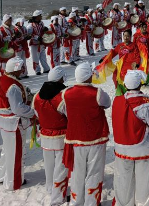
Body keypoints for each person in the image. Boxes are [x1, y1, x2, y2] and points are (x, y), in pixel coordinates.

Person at [112, 69, 149, 206]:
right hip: (141, 146)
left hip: (121, 147)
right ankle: (144, 203)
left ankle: (123, 203)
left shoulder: (117, 100)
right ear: (139, 84)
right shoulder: (145, 102)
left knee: (123, 178)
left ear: (125, 84)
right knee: (144, 178)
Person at [60, 62, 111, 206]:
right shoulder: (97, 93)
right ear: (88, 76)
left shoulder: (66, 93)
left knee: (77, 172)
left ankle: (76, 201)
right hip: (95, 138)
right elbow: (107, 103)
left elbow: (63, 110)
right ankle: (92, 202)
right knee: (94, 172)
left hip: (76, 138)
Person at [0, 56, 35, 190]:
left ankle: (3, 176)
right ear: (15, 69)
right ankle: (13, 181)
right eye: (21, 68)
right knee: (16, 153)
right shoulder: (13, 86)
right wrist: (33, 113)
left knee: (7, 150)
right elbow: (17, 108)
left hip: (4, 121)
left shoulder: (0, 79)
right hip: (14, 123)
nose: (23, 70)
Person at [33, 67, 69, 206]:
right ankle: (58, 197)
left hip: (45, 135)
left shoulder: (37, 95)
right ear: (60, 79)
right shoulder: (62, 96)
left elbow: (36, 114)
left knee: (49, 166)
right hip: (61, 136)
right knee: (61, 168)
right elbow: (69, 115)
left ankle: (50, 189)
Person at [28, 10, 51, 74]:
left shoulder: (41, 23)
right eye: (40, 15)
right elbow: (29, 34)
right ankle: (37, 70)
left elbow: (42, 30)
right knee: (36, 58)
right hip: (35, 44)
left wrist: (45, 29)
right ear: (37, 16)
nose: (41, 16)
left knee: (43, 57)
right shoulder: (30, 25)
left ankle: (46, 68)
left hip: (42, 43)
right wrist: (36, 37)